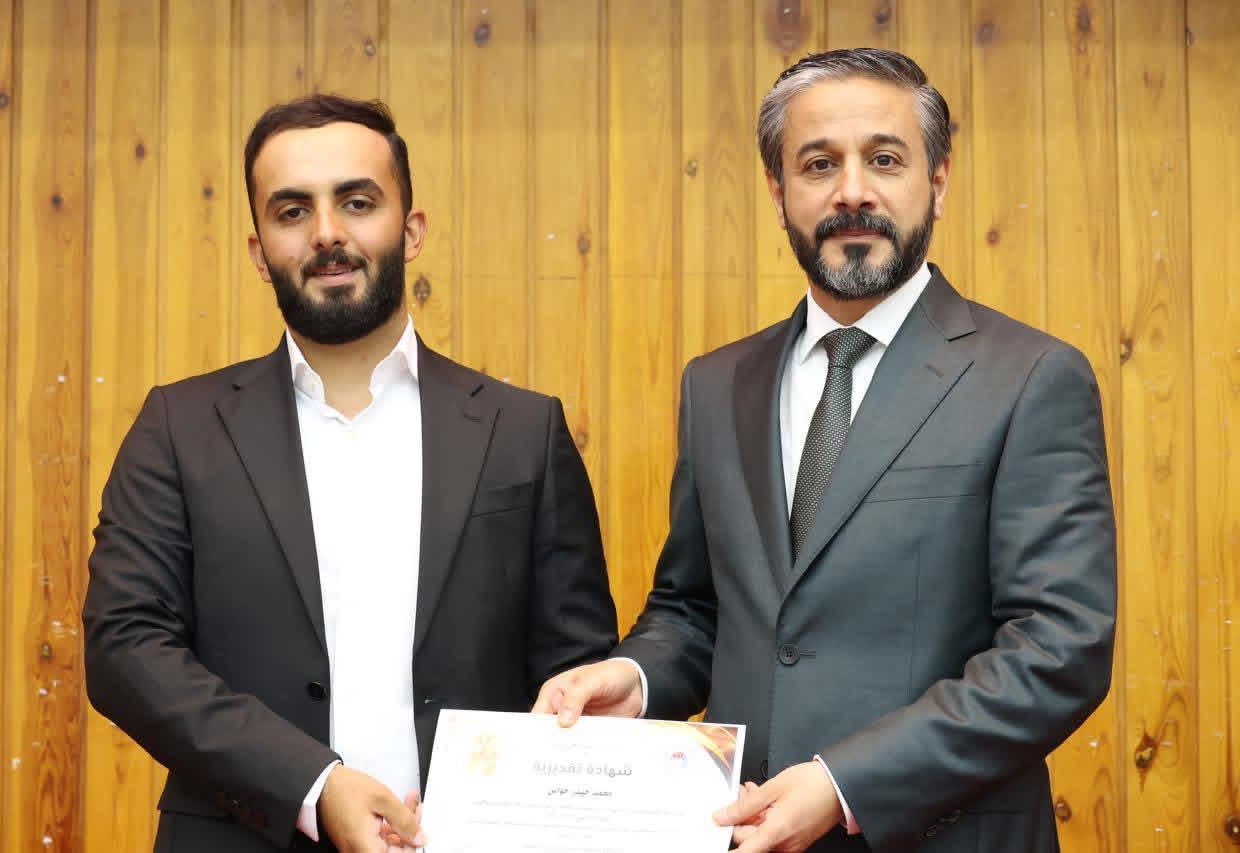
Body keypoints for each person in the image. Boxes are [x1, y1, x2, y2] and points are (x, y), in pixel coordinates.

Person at [533, 48, 1116, 852]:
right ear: (778, 194)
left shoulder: (1031, 378)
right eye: (818, 164)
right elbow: (696, 608)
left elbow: (1057, 650)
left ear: (938, 180)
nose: (852, 191)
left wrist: (846, 782)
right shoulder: (718, 385)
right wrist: (632, 680)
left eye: (885, 159)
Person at [84, 93, 618, 853]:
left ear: (412, 228)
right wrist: (313, 785)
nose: (328, 232)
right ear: (258, 250)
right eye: (292, 211)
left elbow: (576, 679)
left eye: (357, 202)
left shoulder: (524, 431)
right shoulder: (178, 427)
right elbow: (125, 649)